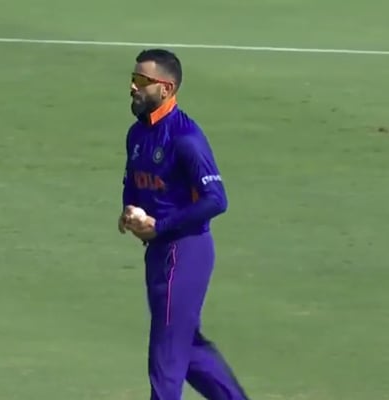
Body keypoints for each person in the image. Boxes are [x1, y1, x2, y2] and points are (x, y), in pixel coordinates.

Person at [118, 49, 252, 400]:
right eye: (133, 78)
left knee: (166, 355)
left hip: (185, 250)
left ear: (166, 88)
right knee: (187, 348)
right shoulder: (137, 134)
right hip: (159, 252)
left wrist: (160, 226)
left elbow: (216, 200)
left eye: (142, 81)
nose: (133, 86)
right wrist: (129, 210)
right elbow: (133, 180)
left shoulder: (185, 138)